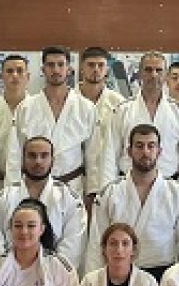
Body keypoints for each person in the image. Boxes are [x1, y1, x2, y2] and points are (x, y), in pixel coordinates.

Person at [86, 124, 179, 281]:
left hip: (164, 274)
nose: (145, 152)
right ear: (129, 151)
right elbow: (96, 244)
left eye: (151, 146)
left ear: (159, 151)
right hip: (120, 273)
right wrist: (94, 283)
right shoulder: (109, 194)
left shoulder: (178, 194)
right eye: (139, 146)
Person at [6, 46, 106, 205]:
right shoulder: (26, 107)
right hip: (33, 187)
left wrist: (92, 192)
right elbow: (14, 153)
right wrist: (12, 191)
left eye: (61, 64)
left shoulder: (86, 107)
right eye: (50, 65)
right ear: (43, 70)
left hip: (73, 186)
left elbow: (93, 155)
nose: (56, 70)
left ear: (69, 69)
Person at [109, 51, 179, 205]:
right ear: (140, 74)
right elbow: (110, 153)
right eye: (148, 70)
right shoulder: (122, 110)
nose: (153, 75)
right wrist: (108, 190)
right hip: (127, 189)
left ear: (165, 75)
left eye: (158, 70)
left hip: (170, 189)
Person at [0, 136, 87, 269]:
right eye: (32, 156)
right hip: (8, 275)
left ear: (53, 160)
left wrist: (49, 273)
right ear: (22, 160)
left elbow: (72, 248)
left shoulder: (71, 200)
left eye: (44, 156)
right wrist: (15, 273)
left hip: (55, 276)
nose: (38, 161)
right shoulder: (1, 200)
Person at [0, 54, 32, 200]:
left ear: (28, 76)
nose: (14, 75)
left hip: (29, 183)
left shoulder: (38, 109)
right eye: (9, 71)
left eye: (20, 71)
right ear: (1, 76)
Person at [76, 45, 127, 125]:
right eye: (91, 65)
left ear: (107, 69)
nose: (96, 69)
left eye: (101, 65)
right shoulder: (68, 100)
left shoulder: (119, 102)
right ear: (82, 68)